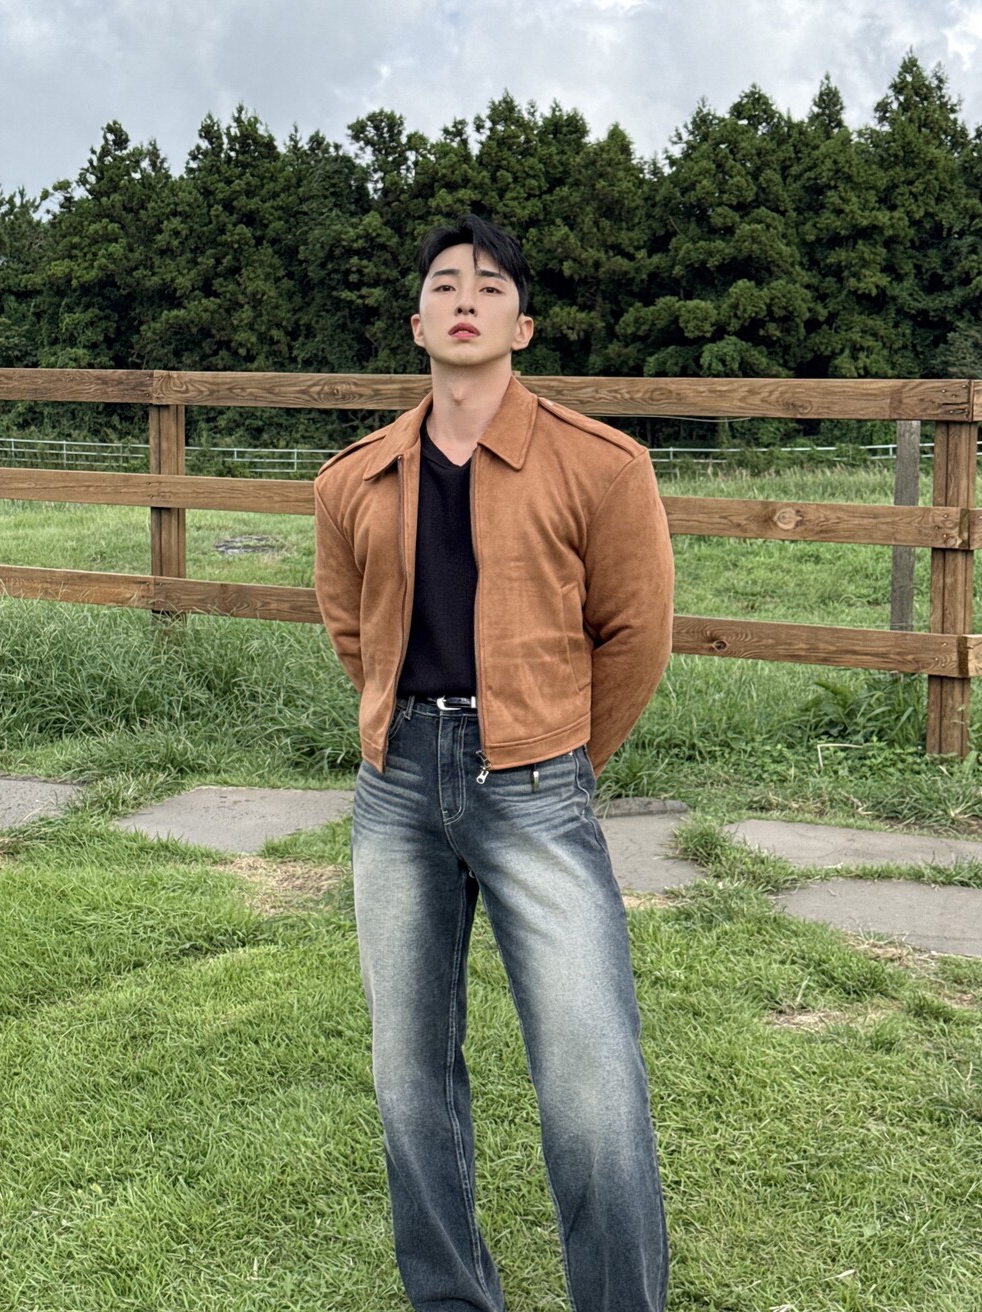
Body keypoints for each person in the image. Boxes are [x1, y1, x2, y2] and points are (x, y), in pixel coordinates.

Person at [314, 214, 674, 1312]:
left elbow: (636, 634)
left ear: (523, 324)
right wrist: (403, 727)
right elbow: (351, 627)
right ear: (415, 321)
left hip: (538, 782)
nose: (464, 298)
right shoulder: (352, 479)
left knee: (590, 1076)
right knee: (409, 1075)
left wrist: (560, 754)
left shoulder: (601, 465)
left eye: (489, 284)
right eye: (443, 283)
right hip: (395, 791)